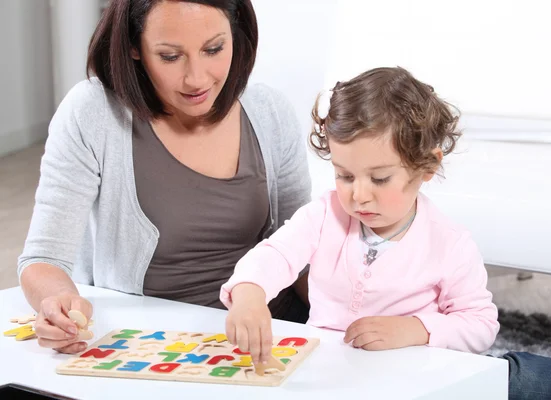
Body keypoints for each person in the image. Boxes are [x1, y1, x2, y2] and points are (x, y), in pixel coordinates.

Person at [17, 0, 310, 355]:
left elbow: (306, 250)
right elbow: (44, 257)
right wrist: (58, 302)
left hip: (270, 336)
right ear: (133, 48)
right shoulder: (93, 113)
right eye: (171, 56)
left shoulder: (269, 111)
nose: (197, 78)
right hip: (152, 346)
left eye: (214, 49)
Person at [221, 66, 500, 363]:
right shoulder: (325, 215)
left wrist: (417, 329)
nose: (359, 195)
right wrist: (250, 292)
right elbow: (276, 253)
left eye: (379, 179)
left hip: (406, 372)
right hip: (323, 365)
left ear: (427, 167)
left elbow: (481, 324)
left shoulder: (448, 243)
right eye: (345, 176)